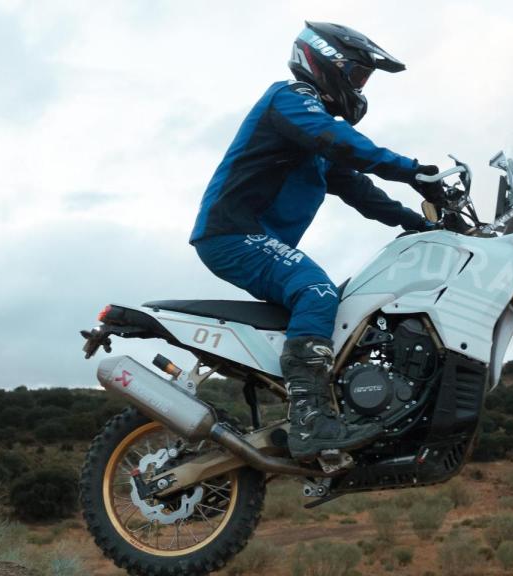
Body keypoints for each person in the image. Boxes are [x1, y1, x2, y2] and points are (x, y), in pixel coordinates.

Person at [189, 22, 444, 461]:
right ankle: (310, 419)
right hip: (232, 232)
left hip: (255, 238)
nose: (361, 87)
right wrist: (413, 170)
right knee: (317, 290)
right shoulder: (290, 101)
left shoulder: (315, 141)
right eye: (359, 75)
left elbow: (362, 192)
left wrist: (420, 226)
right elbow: (341, 142)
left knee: (349, 304)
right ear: (327, 63)